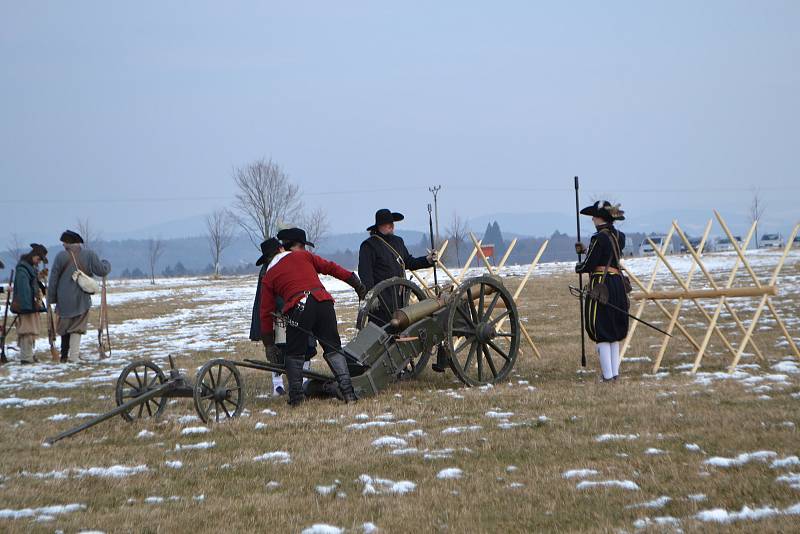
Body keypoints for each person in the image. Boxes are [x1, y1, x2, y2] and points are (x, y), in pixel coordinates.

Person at [260, 227, 367, 405]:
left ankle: (296, 398)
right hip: (324, 302)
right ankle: (349, 393)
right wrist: (354, 282)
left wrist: (269, 345)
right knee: (333, 348)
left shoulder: (268, 275)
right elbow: (331, 267)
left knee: (294, 353)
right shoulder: (304, 256)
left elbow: (265, 313)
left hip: (299, 307)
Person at [357, 208, 444, 369]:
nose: (391, 226)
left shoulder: (398, 241)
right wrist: (371, 296)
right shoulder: (369, 246)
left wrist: (427, 260)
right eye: (387, 224)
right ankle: (375, 366)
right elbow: (365, 274)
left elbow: (409, 262)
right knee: (380, 333)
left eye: (392, 223)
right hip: (381, 299)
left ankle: (400, 366)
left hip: (399, 297)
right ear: (379, 226)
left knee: (400, 332)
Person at [575, 200, 629, 382]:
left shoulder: (598, 238)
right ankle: (614, 374)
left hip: (602, 284)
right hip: (617, 284)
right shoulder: (618, 236)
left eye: (594, 217)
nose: (592, 220)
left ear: (600, 218)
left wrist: (579, 265)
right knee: (613, 332)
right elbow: (606, 255)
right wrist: (586, 251)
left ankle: (607, 376)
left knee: (602, 331)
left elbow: (589, 264)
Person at [48, 230, 111, 362]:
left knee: (64, 328)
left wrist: (51, 299)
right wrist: (106, 264)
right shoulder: (89, 254)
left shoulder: (60, 256)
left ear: (68, 243)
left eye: (64, 242)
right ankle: (74, 356)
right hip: (80, 299)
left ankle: (64, 356)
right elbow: (101, 270)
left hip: (63, 299)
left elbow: (53, 279)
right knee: (77, 327)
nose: (63, 245)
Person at [12, 244, 48, 364]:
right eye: (38, 259)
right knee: (27, 331)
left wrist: (39, 277)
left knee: (30, 331)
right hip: (26, 305)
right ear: (33, 256)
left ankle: (28, 356)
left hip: (30, 304)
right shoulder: (22, 270)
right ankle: (26, 358)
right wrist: (29, 306)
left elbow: (31, 283)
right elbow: (24, 290)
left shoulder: (28, 268)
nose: (38, 262)